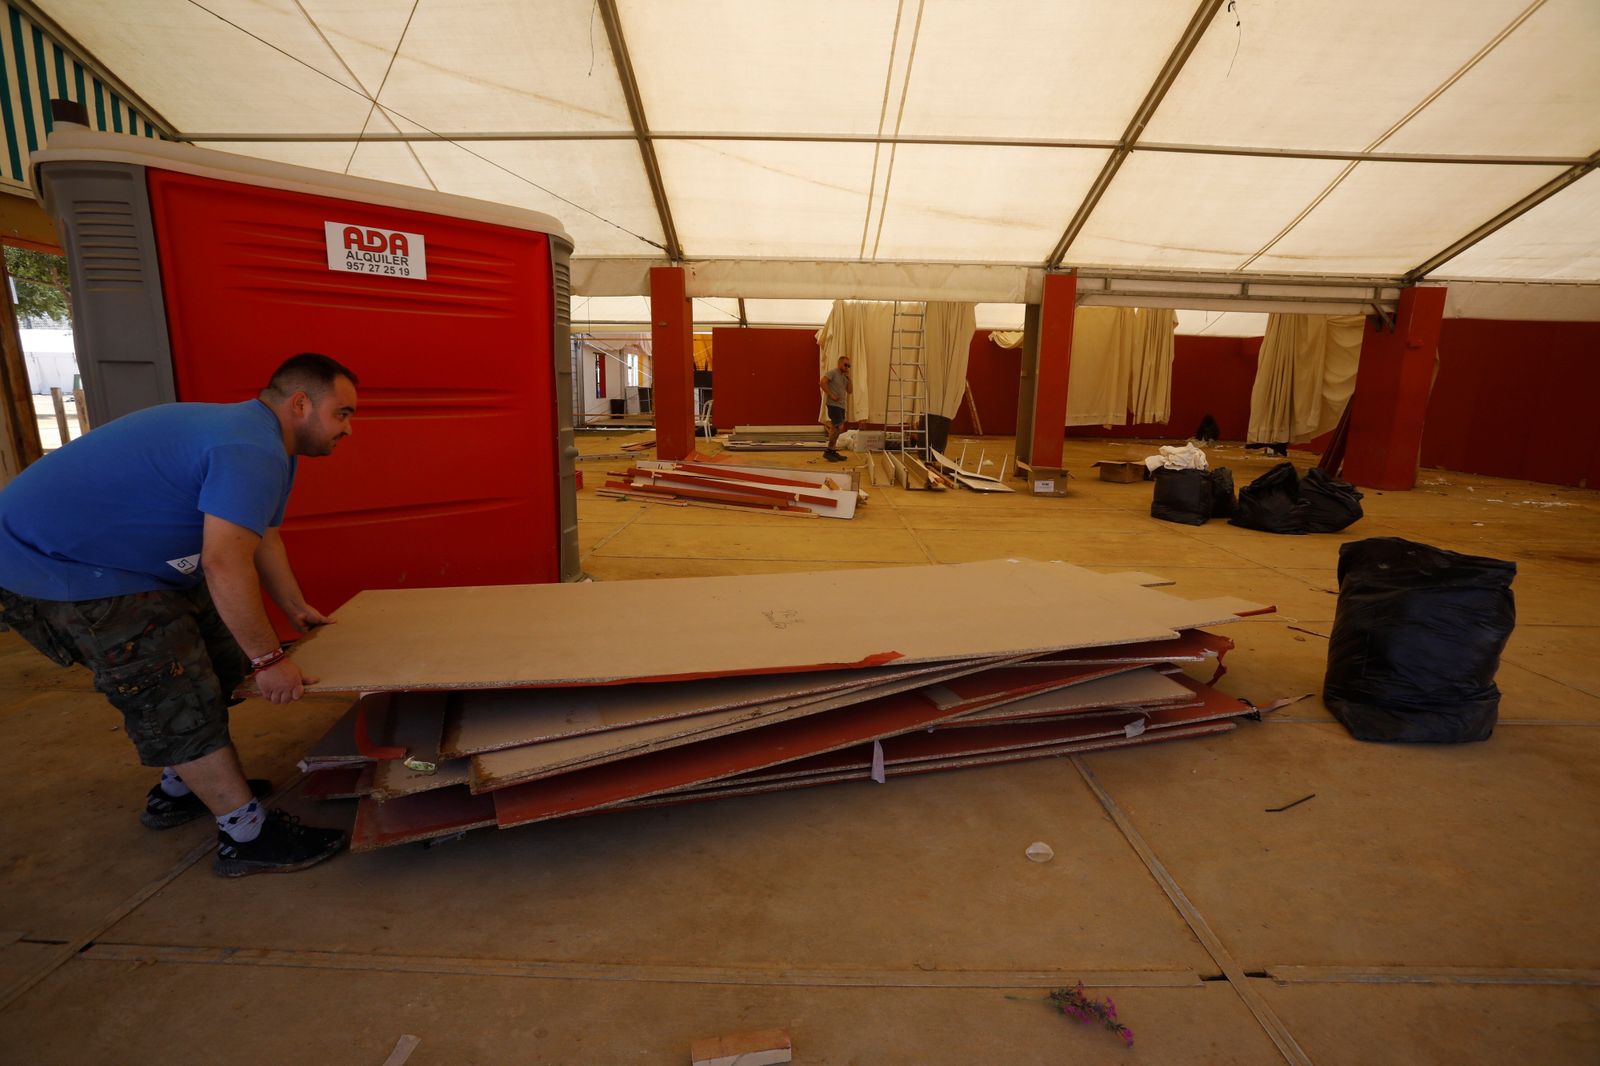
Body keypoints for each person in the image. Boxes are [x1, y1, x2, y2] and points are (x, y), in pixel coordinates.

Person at [0, 353, 358, 877]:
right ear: (300, 404)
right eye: (343, 413)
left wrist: (294, 606)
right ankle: (246, 835)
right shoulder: (249, 445)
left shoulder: (266, 441)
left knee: (215, 656)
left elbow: (262, 536)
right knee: (169, 686)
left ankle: (179, 788)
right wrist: (267, 659)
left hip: (125, 564)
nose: (350, 428)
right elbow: (222, 560)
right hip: (60, 565)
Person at [819, 355, 853, 462]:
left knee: (835, 427)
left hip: (842, 406)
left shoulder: (844, 377)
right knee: (839, 426)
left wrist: (849, 379)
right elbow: (822, 382)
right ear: (839, 364)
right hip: (834, 405)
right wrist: (831, 395)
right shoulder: (833, 372)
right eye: (845, 365)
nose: (847, 367)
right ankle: (829, 451)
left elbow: (850, 391)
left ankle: (832, 451)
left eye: (849, 365)